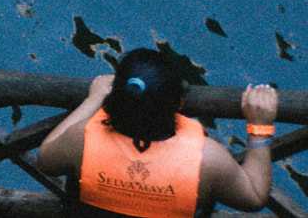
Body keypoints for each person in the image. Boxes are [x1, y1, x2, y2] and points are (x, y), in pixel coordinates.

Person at [36, 48, 278, 216]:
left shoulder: (82, 140)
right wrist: (259, 127)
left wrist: (93, 100)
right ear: (178, 104)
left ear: (115, 97)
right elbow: (254, 197)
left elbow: (46, 160)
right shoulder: (208, 161)